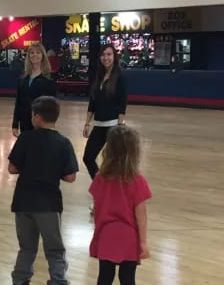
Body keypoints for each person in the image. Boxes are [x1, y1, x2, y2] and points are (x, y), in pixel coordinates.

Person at [8, 96, 78, 285]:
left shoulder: (25, 138)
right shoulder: (63, 143)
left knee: (26, 248)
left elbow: (12, 168)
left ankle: (20, 280)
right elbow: (71, 177)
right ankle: (58, 280)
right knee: (54, 249)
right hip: (49, 203)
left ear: (37, 117)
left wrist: (30, 167)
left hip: (23, 201)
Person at [89, 126, 152, 285]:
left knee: (104, 277)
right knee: (128, 278)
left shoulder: (100, 178)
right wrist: (143, 242)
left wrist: (97, 234)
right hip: (129, 236)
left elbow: (97, 209)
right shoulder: (138, 181)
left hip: (106, 233)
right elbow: (141, 215)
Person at [82, 44, 128, 194]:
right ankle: (101, 190)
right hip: (99, 125)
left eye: (109, 54)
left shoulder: (120, 76)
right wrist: (87, 123)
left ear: (114, 57)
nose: (106, 58)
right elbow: (92, 102)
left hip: (113, 126)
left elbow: (122, 103)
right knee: (88, 157)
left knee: (113, 163)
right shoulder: (98, 76)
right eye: (103, 55)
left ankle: (115, 195)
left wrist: (120, 127)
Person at [12, 43, 57, 137]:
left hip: (41, 124)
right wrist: (15, 124)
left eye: (38, 52)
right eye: (32, 53)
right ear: (28, 56)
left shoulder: (48, 79)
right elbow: (18, 103)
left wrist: (50, 124)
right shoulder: (22, 79)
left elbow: (52, 105)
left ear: (43, 56)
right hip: (24, 123)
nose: (34, 55)